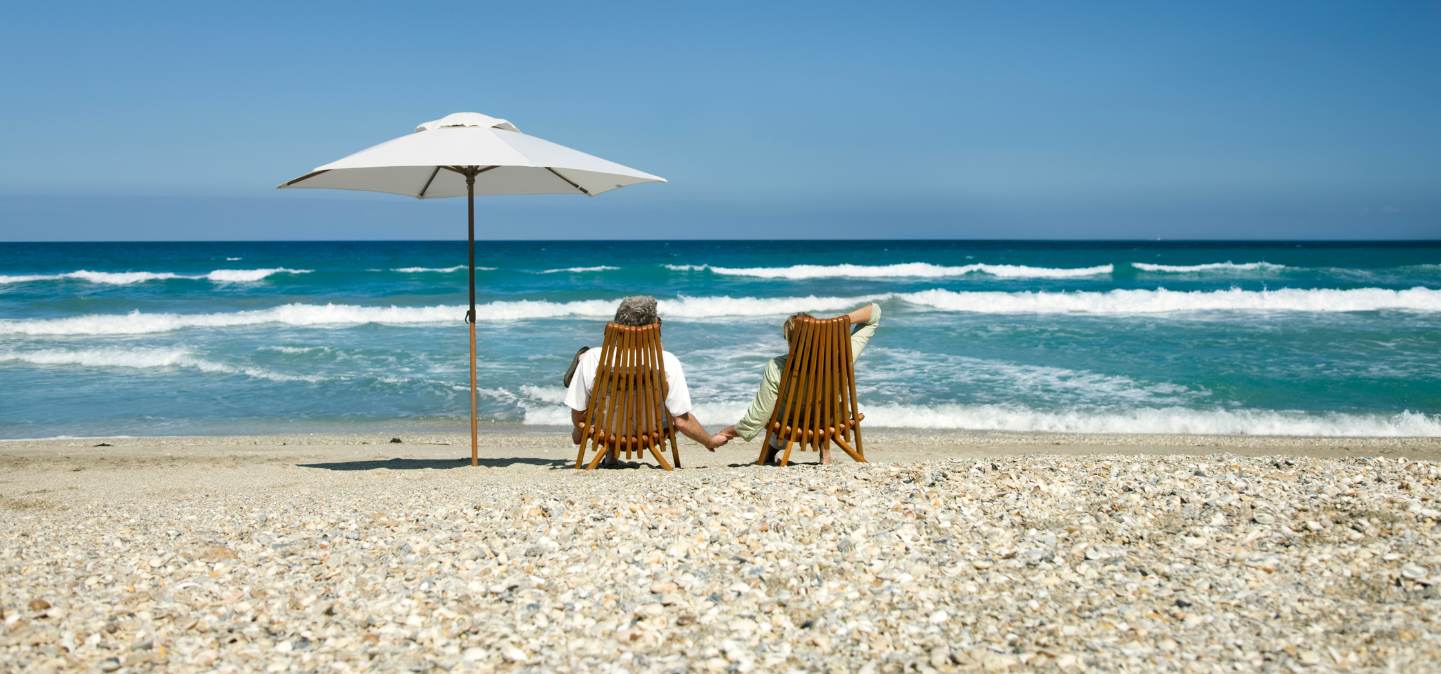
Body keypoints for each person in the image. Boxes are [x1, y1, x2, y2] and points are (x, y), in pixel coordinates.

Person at [564, 296, 725, 465]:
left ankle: (611, 451)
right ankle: (612, 452)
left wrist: (579, 429)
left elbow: (579, 413)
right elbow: (681, 421)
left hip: (604, 430)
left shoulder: (593, 358)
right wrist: (710, 441)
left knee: (606, 386)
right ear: (652, 328)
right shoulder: (667, 361)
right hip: (651, 431)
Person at [715, 303, 880, 464]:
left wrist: (726, 433)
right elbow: (874, 313)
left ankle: (770, 453)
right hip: (831, 422)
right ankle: (825, 455)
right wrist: (834, 325)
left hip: (791, 425)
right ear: (820, 333)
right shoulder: (843, 355)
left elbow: (758, 418)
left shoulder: (777, 366)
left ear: (790, 340)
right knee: (822, 408)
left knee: (777, 411)